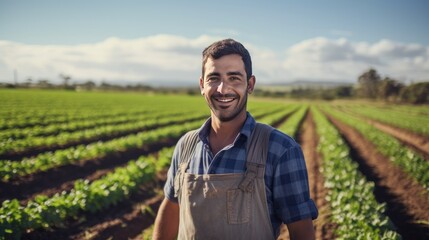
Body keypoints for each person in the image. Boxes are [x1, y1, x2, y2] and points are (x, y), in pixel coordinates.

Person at [153, 38, 318, 240]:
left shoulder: (280, 149)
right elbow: (171, 207)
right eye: (214, 78)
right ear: (202, 85)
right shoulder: (186, 146)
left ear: (250, 84)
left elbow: (302, 232)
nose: (223, 89)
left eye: (234, 78)